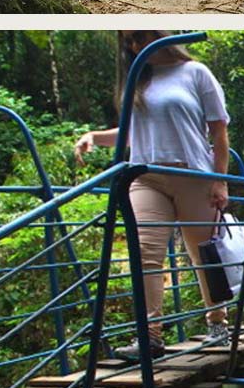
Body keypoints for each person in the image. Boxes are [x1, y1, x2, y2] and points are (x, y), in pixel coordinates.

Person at [75, 31, 231, 360]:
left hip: (193, 174)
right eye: (128, 41)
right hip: (145, 177)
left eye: (138, 36)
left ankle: (218, 324)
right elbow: (131, 134)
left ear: (157, 35)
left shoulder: (195, 72)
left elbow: (219, 130)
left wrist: (220, 181)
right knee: (144, 255)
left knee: (203, 255)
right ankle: (150, 337)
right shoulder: (137, 80)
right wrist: (93, 136)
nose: (134, 45)